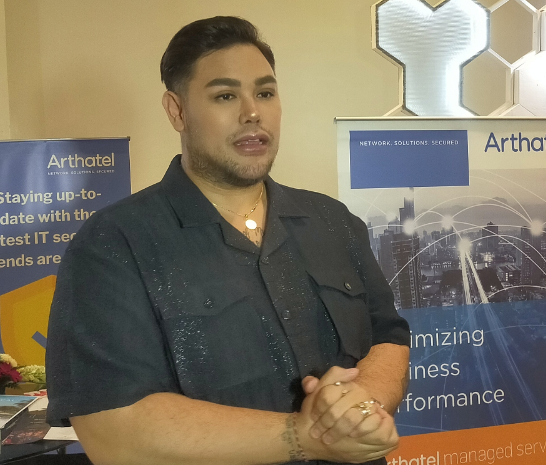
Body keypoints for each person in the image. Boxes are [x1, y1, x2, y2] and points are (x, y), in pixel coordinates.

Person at [46, 16, 410, 465]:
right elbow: (113, 428)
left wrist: (362, 405)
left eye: (265, 93)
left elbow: (387, 336)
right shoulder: (113, 244)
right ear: (177, 111)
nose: (252, 113)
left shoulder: (332, 221)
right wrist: (304, 435)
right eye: (225, 96)